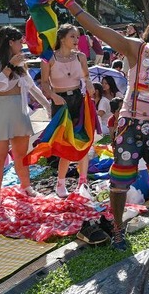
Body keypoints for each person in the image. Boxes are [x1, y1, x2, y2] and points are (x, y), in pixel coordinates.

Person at [58, 0, 149, 251]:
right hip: (129, 125)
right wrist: (69, 2)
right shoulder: (136, 49)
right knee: (120, 180)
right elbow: (99, 28)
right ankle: (117, 230)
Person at [0, 26, 49, 208]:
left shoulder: (21, 63)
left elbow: (32, 88)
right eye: (20, 41)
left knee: (21, 154)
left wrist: (48, 106)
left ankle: (26, 186)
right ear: (10, 42)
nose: (23, 44)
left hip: (19, 112)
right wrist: (10, 66)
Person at [40, 24, 95, 198]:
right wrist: (52, 96)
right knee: (64, 143)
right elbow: (44, 83)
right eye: (72, 36)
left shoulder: (80, 56)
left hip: (78, 99)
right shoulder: (48, 57)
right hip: (60, 101)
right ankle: (61, 182)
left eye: (77, 37)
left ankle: (83, 181)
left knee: (82, 140)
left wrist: (90, 85)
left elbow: (86, 77)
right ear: (62, 38)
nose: (76, 40)